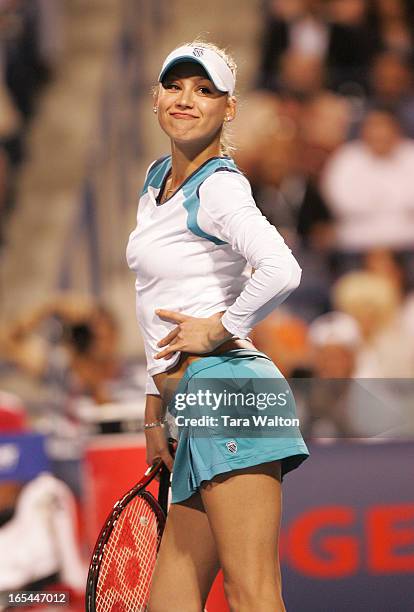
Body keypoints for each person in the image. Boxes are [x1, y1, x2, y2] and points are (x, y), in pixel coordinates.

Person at [126, 40, 309, 611]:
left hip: (230, 392)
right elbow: (159, 298)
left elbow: (282, 268)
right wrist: (157, 407)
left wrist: (219, 327)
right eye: (176, 86)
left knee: (251, 593)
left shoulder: (220, 186)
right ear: (156, 97)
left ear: (228, 109)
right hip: (193, 406)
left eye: (205, 91)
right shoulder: (158, 179)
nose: (186, 99)